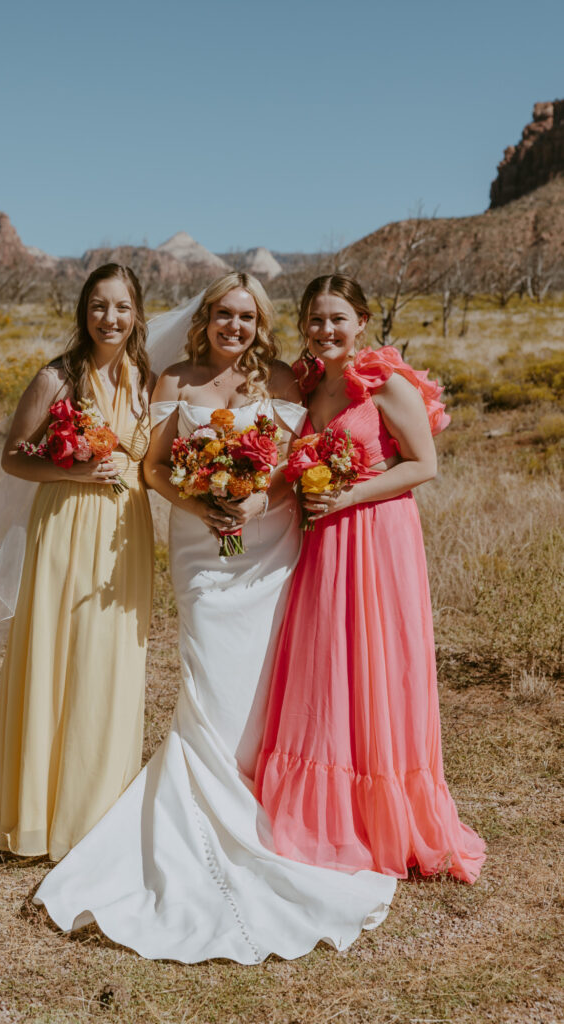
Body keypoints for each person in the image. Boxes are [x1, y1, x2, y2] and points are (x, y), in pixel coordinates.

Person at [33, 272, 396, 964]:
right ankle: (201, 815)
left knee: (263, 680)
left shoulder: (288, 379)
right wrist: (200, 505)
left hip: (270, 546)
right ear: (205, 319)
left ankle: (268, 804)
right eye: (223, 314)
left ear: (260, 322)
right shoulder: (176, 376)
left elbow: (297, 458)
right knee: (209, 677)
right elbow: (154, 468)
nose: (234, 325)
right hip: (204, 550)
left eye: (246, 315)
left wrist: (264, 499)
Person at [255, 274, 486, 883]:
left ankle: (386, 813)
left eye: (337, 318)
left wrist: (347, 494)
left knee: (377, 664)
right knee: (329, 666)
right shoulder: (309, 387)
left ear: (361, 321)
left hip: (378, 538)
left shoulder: (385, 383)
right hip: (323, 543)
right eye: (314, 320)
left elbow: (424, 464)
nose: (325, 330)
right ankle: (328, 814)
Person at [0, 263, 154, 862]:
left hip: (124, 529)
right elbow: (14, 459)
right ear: (84, 311)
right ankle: (38, 810)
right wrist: (68, 469)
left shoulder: (144, 378)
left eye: (122, 307)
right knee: (56, 651)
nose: (111, 318)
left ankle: (97, 805)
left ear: (137, 314)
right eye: (99, 306)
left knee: (110, 660)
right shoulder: (56, 378)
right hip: (66, 524)